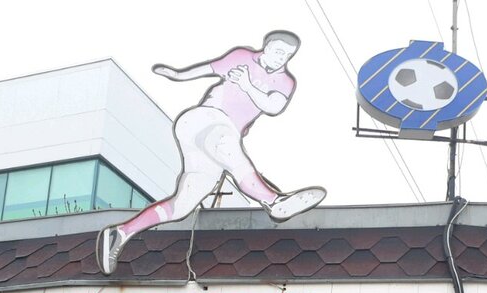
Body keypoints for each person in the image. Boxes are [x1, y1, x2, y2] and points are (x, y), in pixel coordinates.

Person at [96, 30, 326, 274]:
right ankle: (272, 201)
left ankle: (120, 233)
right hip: (202, 120)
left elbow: (273, 106)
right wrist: (177, 75)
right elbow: (208, 68)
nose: (282, 59)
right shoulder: (242, 57)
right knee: (225, 140)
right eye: (278, 52)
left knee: (182, 205)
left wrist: (247, 86)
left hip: (211, 146)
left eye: (287, 55)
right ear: (267, 47)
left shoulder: (285, 81)